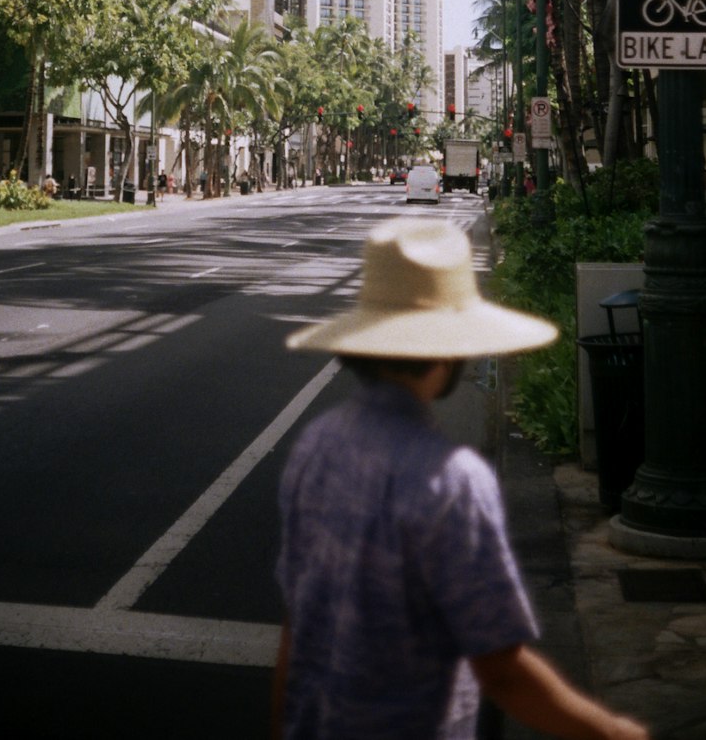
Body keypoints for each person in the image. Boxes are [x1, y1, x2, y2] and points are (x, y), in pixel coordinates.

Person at [273, 217, 650, 740]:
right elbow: (499, 667)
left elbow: (297, 629)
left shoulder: (317, 445)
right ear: (449, 349)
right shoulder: (453, 480)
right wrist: (611, 732)